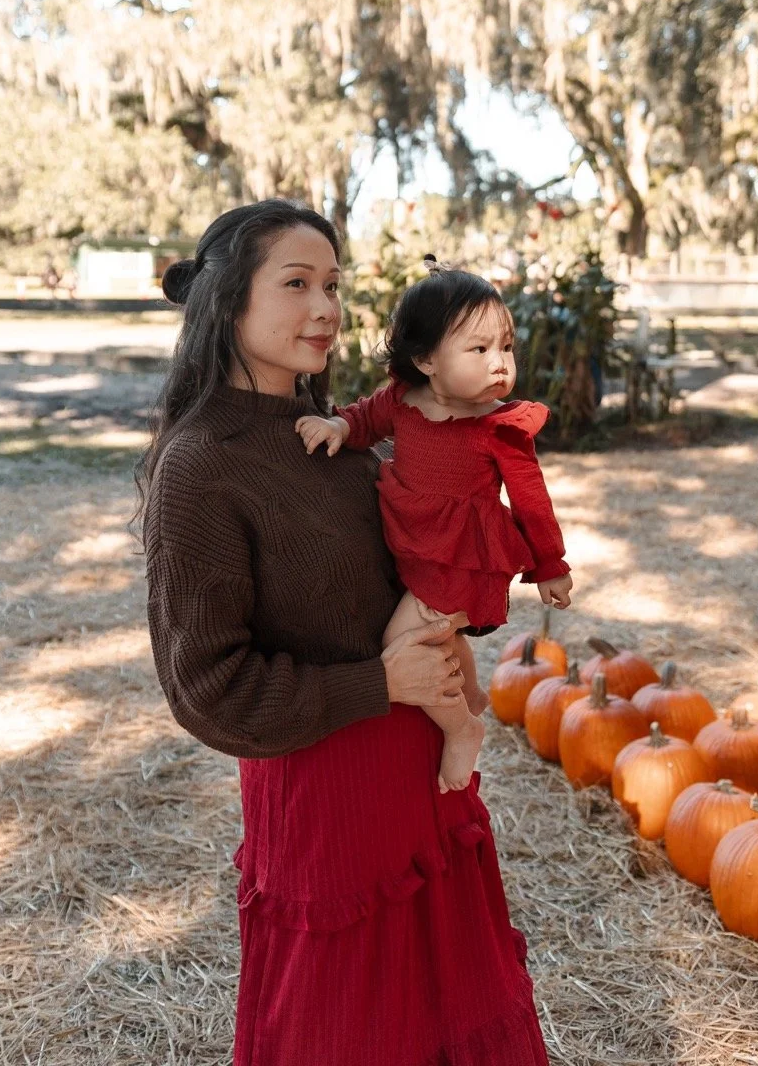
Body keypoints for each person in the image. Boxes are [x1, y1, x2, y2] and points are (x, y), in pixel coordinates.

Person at [137, 199, 551, 1066]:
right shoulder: (201, 466)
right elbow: (210, 692)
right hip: (329, 813)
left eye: (333, 284)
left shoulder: (336, 439)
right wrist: (381, 684)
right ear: (227, 302)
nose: (325, 308)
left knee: (449, 1016)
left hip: (424, 788)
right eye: (296, 284)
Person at [296, 259, 572, 794]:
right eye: (479, 349)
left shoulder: (498, 427)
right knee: (443, 637)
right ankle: (466, 692)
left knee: (406, 640)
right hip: (416, 547)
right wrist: (335, 425)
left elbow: (531, 500)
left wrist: (550, 565)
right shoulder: (402, 401)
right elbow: (362, 420)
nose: (500, 364)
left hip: (462, 559)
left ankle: (461, 728)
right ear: (425, 359)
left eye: (507, 347)